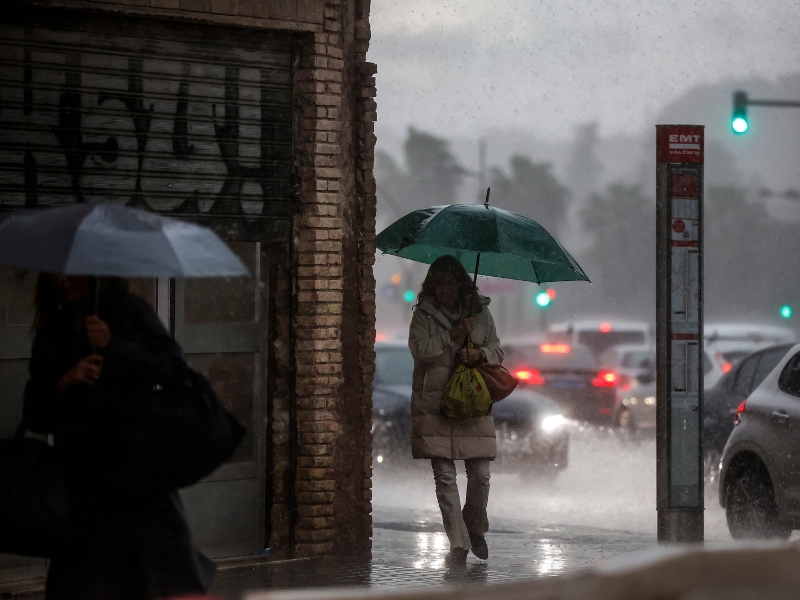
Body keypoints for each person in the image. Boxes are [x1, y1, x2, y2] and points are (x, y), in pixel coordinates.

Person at [22, 274, 215, 600]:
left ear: (94, 273)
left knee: (144, 577)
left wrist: (117, 345)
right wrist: (65, 383)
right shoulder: (53, 331)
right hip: (79, 484)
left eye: (72, 273)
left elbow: (171, 369)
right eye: (55, 273)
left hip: (133, 476)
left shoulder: (128, 313)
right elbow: (35, 414)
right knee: (81, 583)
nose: (63, 281)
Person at [408, 255, 504, 566]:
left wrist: (478, 353)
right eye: (438, 284)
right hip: (435, 405)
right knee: (445, 478)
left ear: (461, 283)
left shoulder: (481, 313)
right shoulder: (423, 314)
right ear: (430, 287)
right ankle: (458, 544)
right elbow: (419, 349)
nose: (444, 290)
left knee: (481, 474)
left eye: (450, 283)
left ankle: (474, 528)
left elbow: (498, 351)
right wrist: (450, 335)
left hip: (471, 404)